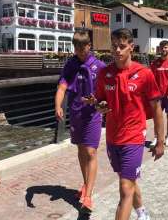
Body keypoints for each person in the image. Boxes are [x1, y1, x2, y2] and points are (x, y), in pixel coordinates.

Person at [87, 28, 165, 220]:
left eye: (122, 46)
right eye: (114, 46)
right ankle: (142, 213)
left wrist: (160, 140)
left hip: (134, 137)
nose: (118, 51)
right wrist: (99, 106)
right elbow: (100, 102)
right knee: (128, 180)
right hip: (113, 138)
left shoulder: (144, 73)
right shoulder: (105, 74)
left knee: (125, 188)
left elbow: (156, 108)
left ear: (132, 47)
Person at [54, 30, 106, 212]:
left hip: (93, 114)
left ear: (89, 46)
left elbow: (106, 92)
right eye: (76, 47)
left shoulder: (99, 66)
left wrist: (98, 101)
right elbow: (62, 87)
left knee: (91, 152)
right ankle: (85, 184)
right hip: (76, 114)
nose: (79, 51)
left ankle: (88, 197)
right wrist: (58, 105)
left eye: (82, 47)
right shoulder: (71, 65)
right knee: (81, 151)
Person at [149, 41, 168, 148]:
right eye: (162, 47)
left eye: (166, 47)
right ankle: (156, 137)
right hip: (157, 96)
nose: (164, 49)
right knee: (157, 118)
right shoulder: (154, 63)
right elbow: (150, 78)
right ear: (159, 49)